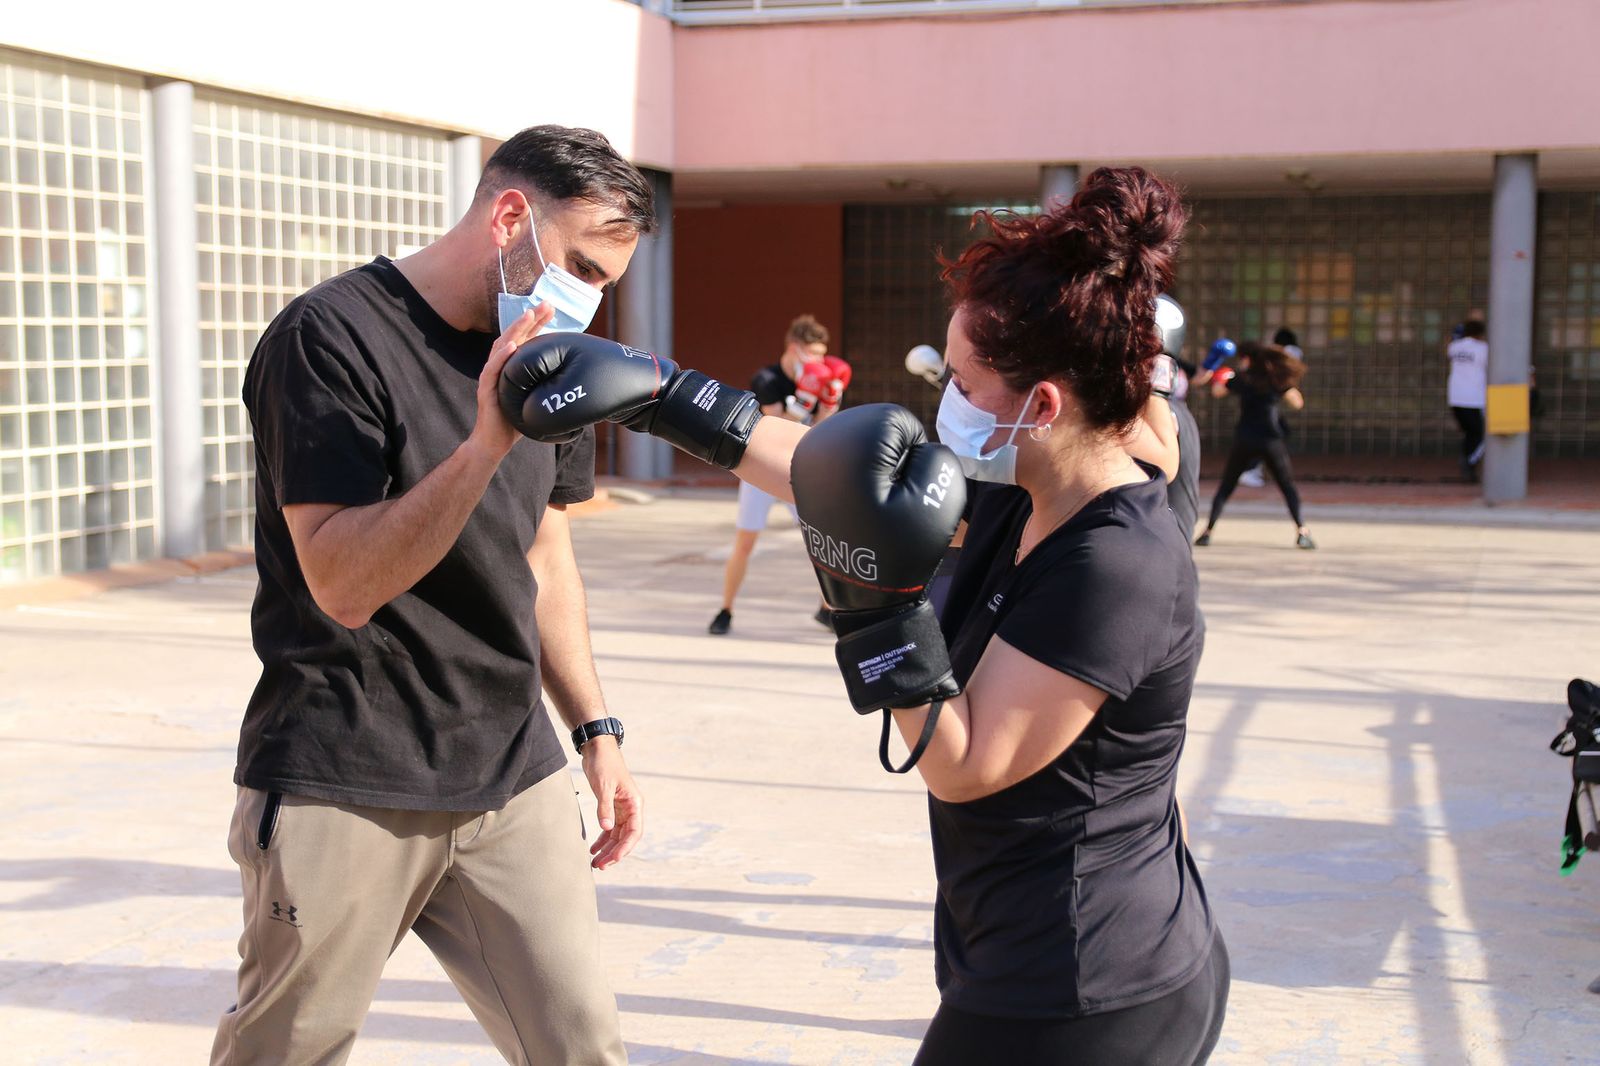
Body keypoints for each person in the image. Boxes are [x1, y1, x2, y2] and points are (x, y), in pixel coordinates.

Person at [496, 165, 1225, 1065]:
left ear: (1042, 405)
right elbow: (838, 478)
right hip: (1023, 947)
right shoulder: (1034, 478)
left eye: (962, 381)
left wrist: (878, 607)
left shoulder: (1117, 561)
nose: (943, 399)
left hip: (1084, 984)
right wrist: (663, 393)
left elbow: (966, 764)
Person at [211, 125, 649, 1066]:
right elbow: (341, 580)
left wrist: (595, 729)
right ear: (508, 217)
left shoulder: (550, 359)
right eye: (580, 266)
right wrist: (486, 438)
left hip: (509, 772)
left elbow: (546, 555)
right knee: (289, 1053)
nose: (588, 300)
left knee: (583, 1047)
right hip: (348, 770)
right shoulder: (328, 338)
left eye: (605, 283)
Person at [707, 315, 848, 635]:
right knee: (746, 540)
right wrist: (806, 399)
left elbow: (819, 430)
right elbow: (775, 426)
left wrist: (829, 402)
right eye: (812, 353)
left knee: (825, 540)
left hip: (799, 469)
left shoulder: (822, 377)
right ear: (794, 349)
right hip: (758, 466)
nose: (818, 361)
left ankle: (829, 608)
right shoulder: (767, 379)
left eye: (821, 354)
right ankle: (725, 609)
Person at [1193, 342, 1315, 549]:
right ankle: (1302, 531)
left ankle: (1208, 531)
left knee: (1226, 486)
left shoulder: (1243, 378)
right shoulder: (1275, 379)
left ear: (1247, 359)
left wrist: (1223, 376)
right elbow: (1297, 403)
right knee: (1287, 487)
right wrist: (1286, 388)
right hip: (1271, 440)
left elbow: (1217, 391)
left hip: (1245, 439)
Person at [1237, 327, 1302, 488]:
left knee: (1274, 434)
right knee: (1270, 437)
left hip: (1264, 403)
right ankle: (1252, 471)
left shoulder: (1267, 356)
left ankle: (1255, 470)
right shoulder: (1289, 352)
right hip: (1267, 402)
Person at [1447, 316, 1488, 482]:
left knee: (1469, 434)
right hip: (1474, 399)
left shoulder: (1454, 347)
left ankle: (1467, 463)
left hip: (1455, 398)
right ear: (1480, 334)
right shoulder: (1483, 348)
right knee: (1481, 435)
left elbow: (1449, 342)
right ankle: (1468, 463)